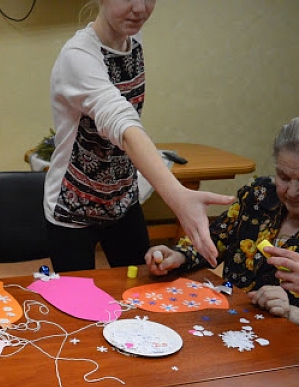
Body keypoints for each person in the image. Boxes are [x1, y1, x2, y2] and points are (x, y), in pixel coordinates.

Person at [43, 0, 233, 273]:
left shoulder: (132, 37)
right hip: (73, 207)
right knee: (78, 306)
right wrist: (176, 195)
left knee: (143, 291)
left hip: (122, 199)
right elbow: (121, 121)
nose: (140, 8)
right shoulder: (77, 56)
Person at [145, 118, 299, 325]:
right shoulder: (259, 195)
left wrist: (292, 311)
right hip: (227, 320)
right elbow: (217, 237)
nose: (292, 192)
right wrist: (179, 255)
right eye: (284, 177)